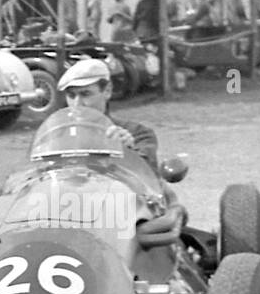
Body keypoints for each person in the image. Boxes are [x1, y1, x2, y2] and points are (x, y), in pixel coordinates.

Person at [56, 57, 178, 247]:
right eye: (71, 95)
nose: (77, 103)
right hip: (67, 217)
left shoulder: (138, 133)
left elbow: (149, 181)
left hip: (123, 220)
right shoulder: (57, 136)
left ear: (107, 91)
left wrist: (127, 152)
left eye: (85, 94)